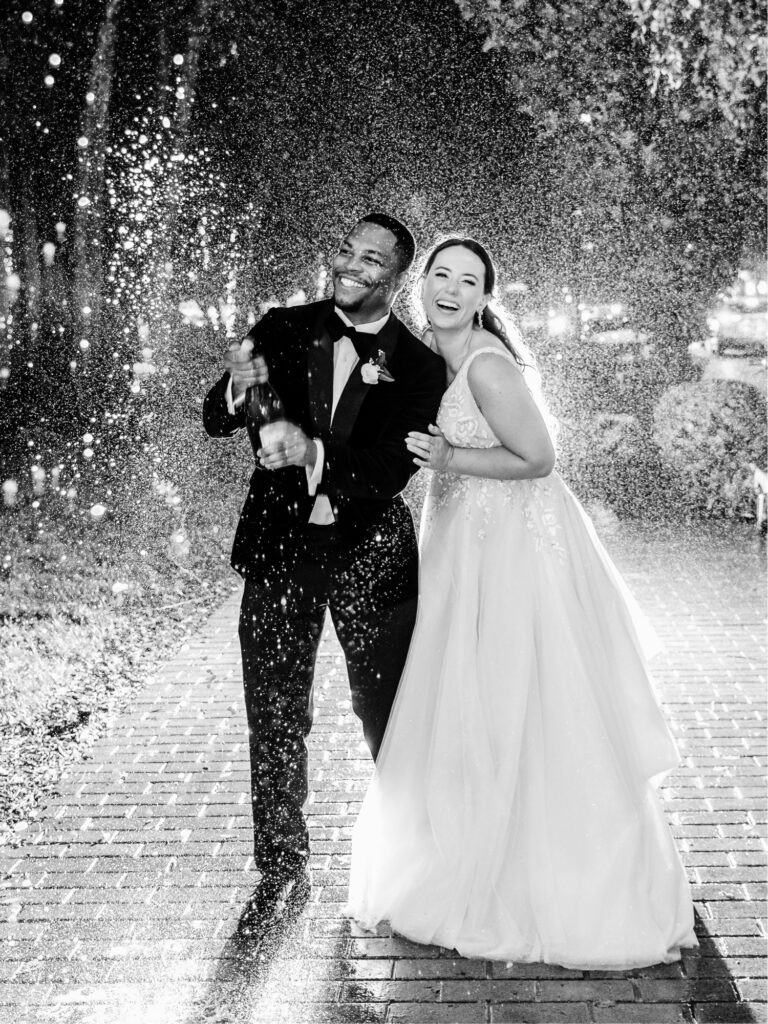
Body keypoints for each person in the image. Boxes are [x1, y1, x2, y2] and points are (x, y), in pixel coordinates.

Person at [347, 237, 698, 969]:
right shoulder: (416, 357)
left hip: (510, 549)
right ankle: (469, 850)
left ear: (483, 297)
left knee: (522, 696)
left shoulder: (487, 364)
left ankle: (558, 877)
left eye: (466, 280)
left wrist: (450, 460)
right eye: (439, 275)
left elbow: (539, 458)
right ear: (421, 287)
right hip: (460, 543)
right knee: (466, 698)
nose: (449, 288)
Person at [203, 213, 445, 937]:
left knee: (388, 715)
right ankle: (281, 864)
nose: (350, 263)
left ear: (394, 277)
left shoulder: (420, 365)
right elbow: (218, 416)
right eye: (345, 249)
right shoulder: (281, 328)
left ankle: (414, 856)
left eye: (370, 258)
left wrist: (309, 453)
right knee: (275, 714)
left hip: (371, 557)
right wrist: (239, 393)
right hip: (280, 555)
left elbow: (386, 471)